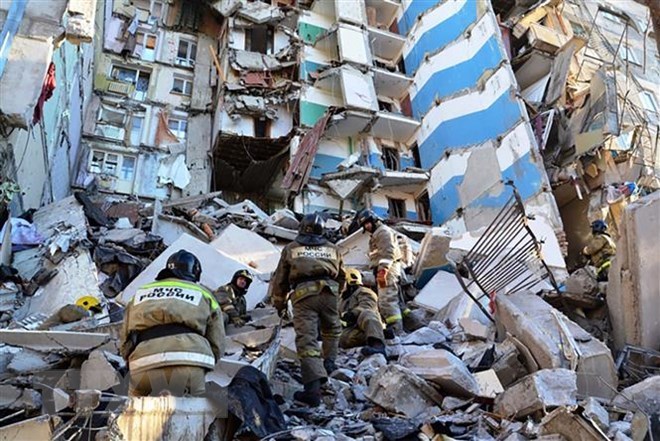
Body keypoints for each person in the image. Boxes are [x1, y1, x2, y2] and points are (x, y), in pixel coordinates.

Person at [120, 249, 224, 397]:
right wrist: (204, 365)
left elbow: (125, 340)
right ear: (195, 274)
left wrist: (132, 360)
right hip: (189, 363)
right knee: (197, 410)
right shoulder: (205, 294)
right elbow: (217, 342)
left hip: (144, 364)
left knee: (133, 407)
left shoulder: (141, 293)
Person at [271, 213, 344, 407]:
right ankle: (328, 366)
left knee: (307, 341)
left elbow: (280, 280)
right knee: (331, 330)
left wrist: (279, 305)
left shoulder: (292, 248)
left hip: (304, 296)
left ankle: (312, 391)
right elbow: (342, 276)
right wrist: (336, 296)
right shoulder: (333, 249)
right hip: (330, 293)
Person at [356, 209, 404, 335]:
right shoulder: (377, 233)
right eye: (364, 225)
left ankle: (396, 331)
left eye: (368, 223)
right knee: (394, 300)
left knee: (386, 300)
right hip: (384, 268)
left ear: (374, 220)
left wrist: (383, 270)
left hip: (388, 269)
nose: (367, 227)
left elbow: (388, 252)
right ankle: (407, 325)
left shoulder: (382, 232)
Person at [339, 268, 386, 357]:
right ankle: (380, 334)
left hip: (365, 323)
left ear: (350, 280)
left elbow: (368, 306)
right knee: (342, 338)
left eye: (342, 281)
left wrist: (353, 313)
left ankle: (378, 345)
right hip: (353, 328)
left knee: (367, 313)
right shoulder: (342, 299)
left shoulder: (364, 291)